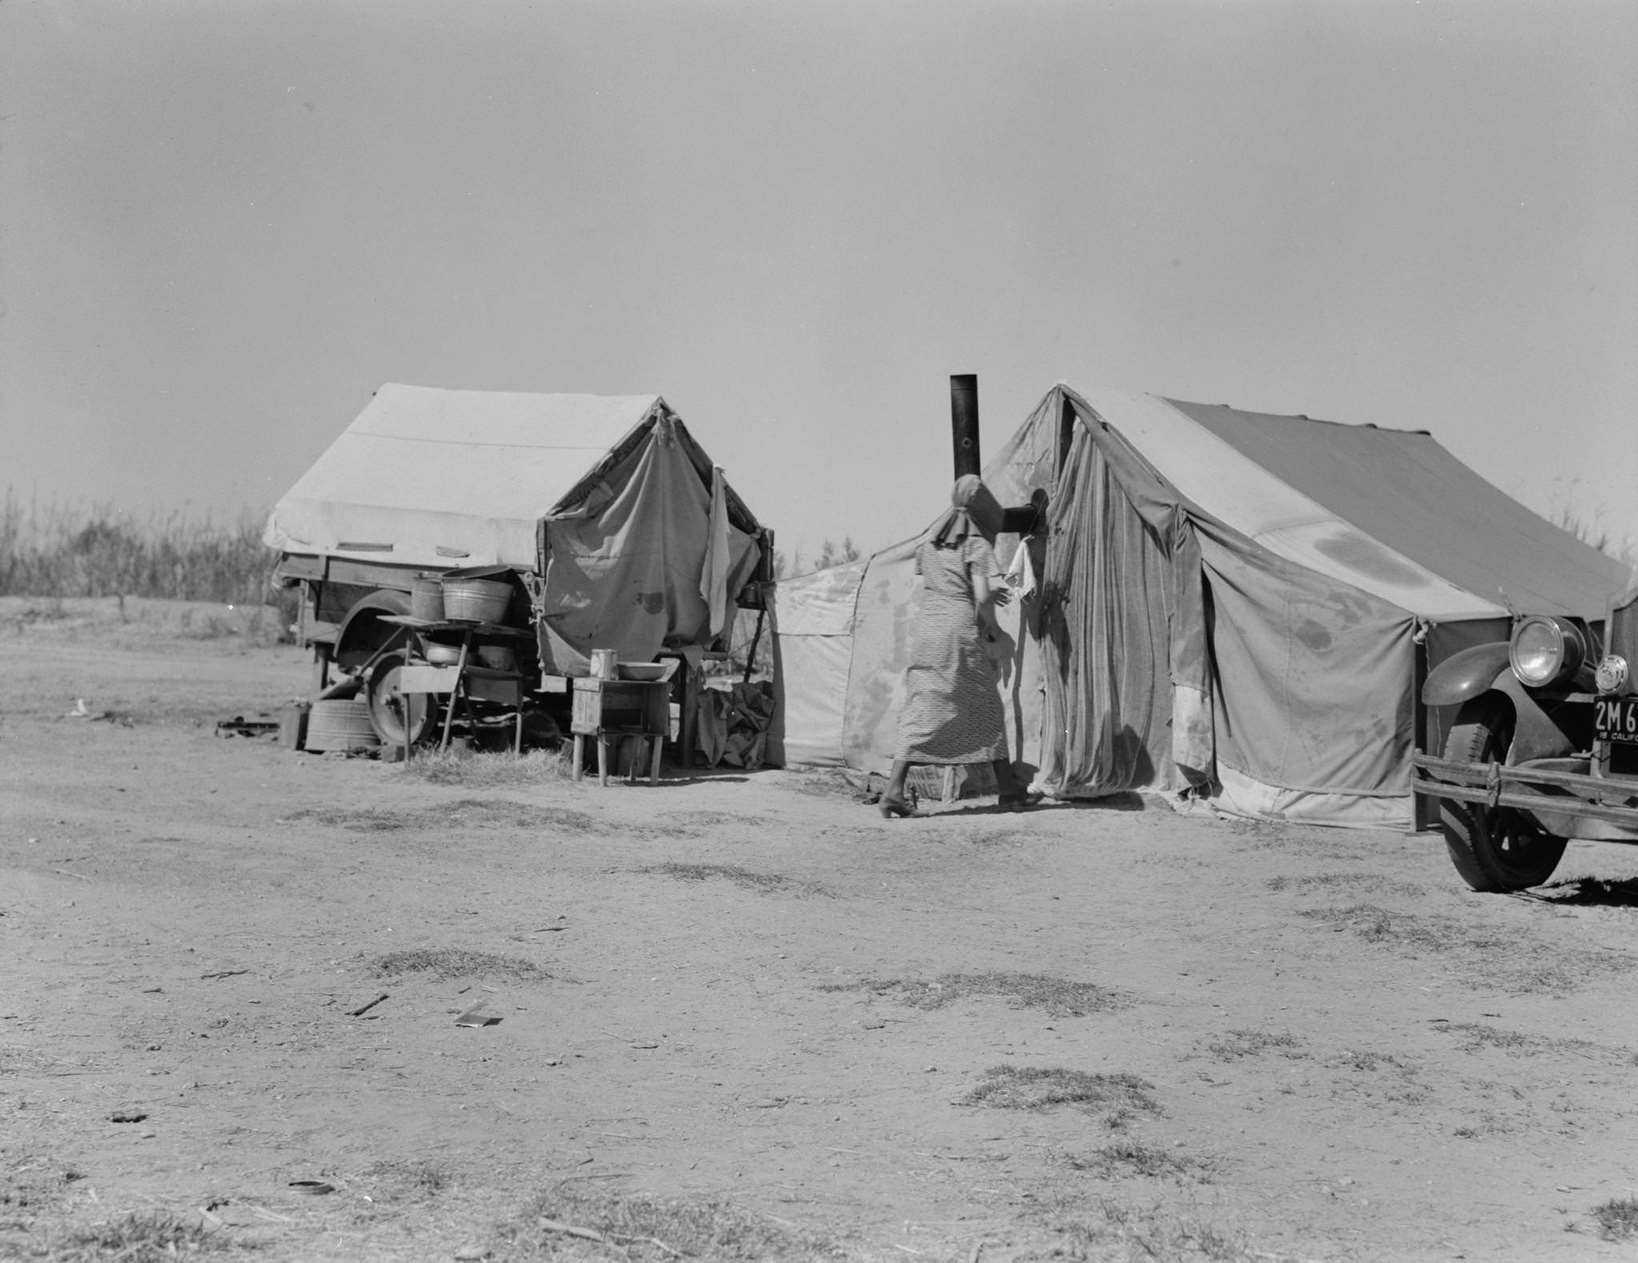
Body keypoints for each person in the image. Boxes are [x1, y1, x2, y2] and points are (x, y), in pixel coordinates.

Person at [879, 474, 1036, 817]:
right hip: (958, 631)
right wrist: (992, 625)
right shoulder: (976, 543)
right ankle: (1009, 791)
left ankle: (893, 790)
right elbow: (978, 596)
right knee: (987, 706)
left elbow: (942, 584)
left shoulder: (930, 541)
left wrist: (981, 595)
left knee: (922, 707)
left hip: (927, 631)